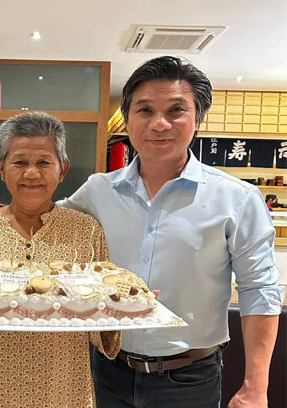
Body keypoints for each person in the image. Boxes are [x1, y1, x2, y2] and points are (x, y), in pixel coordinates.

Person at [57, 56, 284, 407]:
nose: (159, 124)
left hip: (189, 381)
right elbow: (39, 221)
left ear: (198, 120)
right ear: (128, 119)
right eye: (145, 110)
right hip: (107, 371)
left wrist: (256, 387)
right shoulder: (98, 190)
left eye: (176, 110)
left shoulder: (236, 199)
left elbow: (259, 290)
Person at [0, 111, 120, 407]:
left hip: (63, 389)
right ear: (2, 168)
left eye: (44, 162)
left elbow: (99, 315)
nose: (31, 173)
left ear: (62, 170)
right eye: (20, 162)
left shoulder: (86, 231)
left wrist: (126, 305)